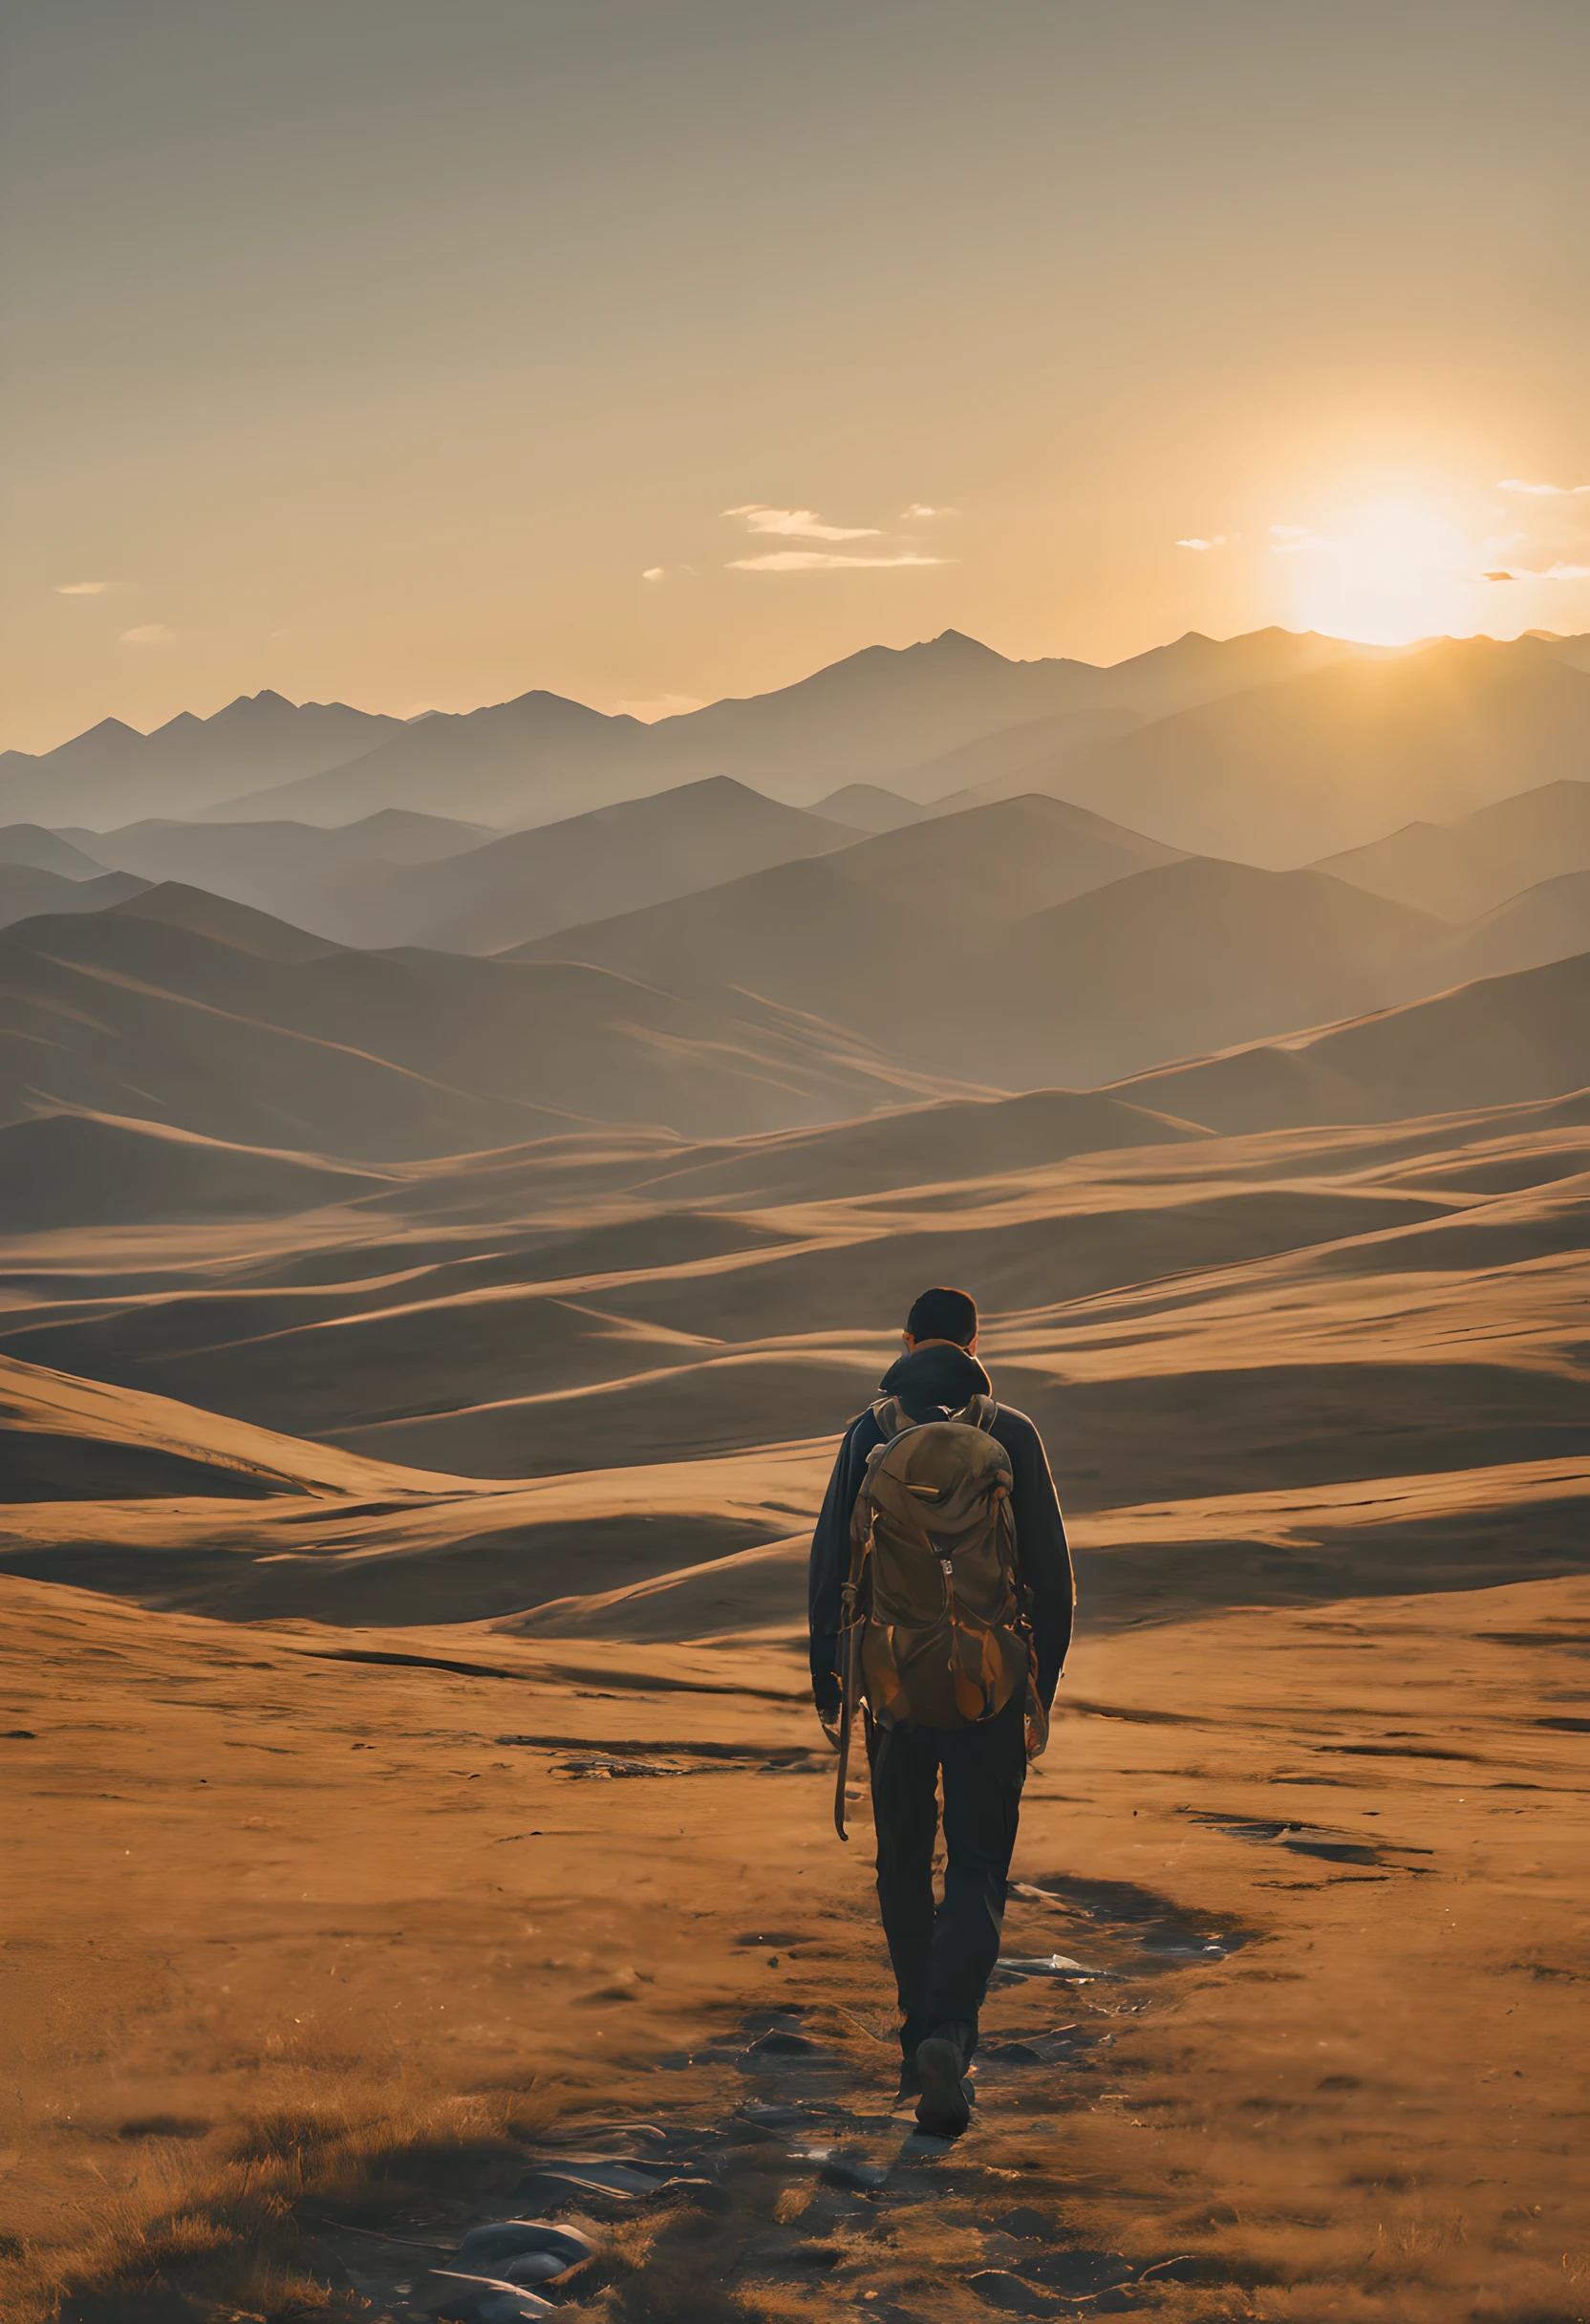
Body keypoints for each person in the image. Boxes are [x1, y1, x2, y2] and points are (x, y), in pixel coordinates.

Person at [807, 1284, 1074, 2136]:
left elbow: (828, 1567)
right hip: (991, 1681)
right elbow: (1052, 1571)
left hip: (893, 1685)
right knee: (978, 1865)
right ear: (972, 1342)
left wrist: (832, 1683)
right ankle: (952, 2041)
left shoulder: (870, 1433)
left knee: (903, 1866)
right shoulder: (1012, 1433)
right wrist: (1041, 1685)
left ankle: (916, 2034)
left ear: (909, 1341)